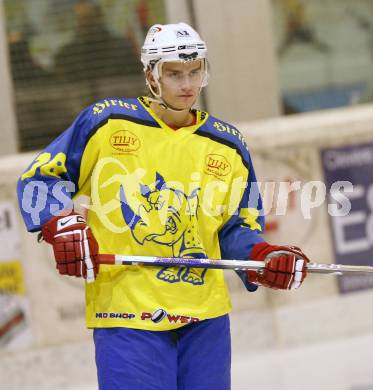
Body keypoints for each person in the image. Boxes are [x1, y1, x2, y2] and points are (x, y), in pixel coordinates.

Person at [17, 22, 310, 390]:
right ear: (151, 75)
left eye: (195, 71)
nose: (187, 84)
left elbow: (238, 225)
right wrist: (59, 224)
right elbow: (41, 179)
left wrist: (264, 257)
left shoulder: (228, 144)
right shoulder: (106, 122)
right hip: (127, 316)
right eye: (174, 74)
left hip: (204, 318)